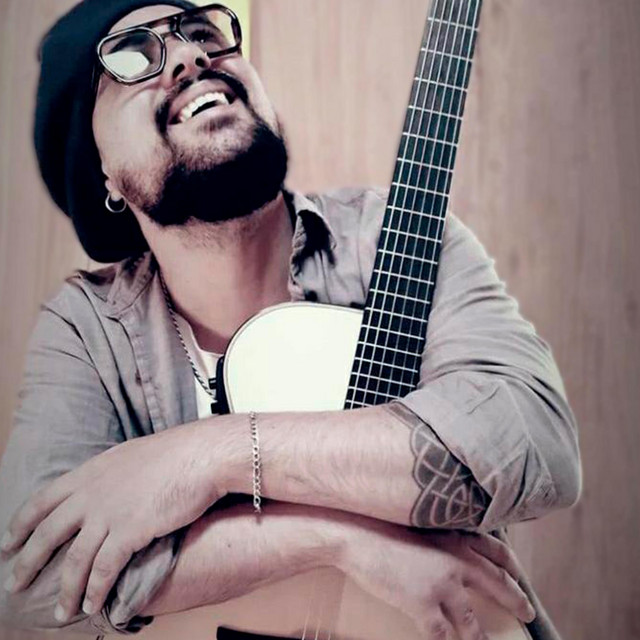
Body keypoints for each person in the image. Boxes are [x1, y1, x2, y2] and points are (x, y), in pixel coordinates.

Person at [0, 1, 581, 638]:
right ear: (103, 174)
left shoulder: (397, 237)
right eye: (133, 57)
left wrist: (204, 456)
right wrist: (337, 541)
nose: (192, 56)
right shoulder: (88, 329)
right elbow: (27, 583)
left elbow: (532, 448)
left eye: (203, 33)